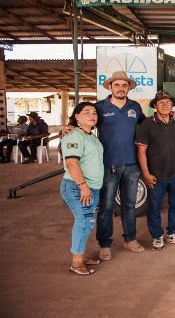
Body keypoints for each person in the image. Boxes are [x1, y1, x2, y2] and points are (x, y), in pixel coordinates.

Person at [95, 71, 146, 260]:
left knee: (130, 205)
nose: (120, 88)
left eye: (124, 85)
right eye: (117, 85)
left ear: (129, 88)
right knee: (107, 206)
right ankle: (105, 244)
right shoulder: (100, 107)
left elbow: (147, 125)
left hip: (132, 165)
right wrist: (69, 126)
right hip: (109, 165)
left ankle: (130, 239)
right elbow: (82, 121)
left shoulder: (135, 107)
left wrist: (166, 116)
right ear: (110, 87)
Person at [136, 90, 175, 251]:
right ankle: (157, 236)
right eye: (161, 103)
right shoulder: (147, 124)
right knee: (155, 207)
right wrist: (146, 173)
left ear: (172, 105)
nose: (165, 105)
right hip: (155, 176)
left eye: (168, 103)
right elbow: (141, 151)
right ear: (155, 106)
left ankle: (173, 233)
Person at [60, 102, 104, 276]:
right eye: (86, 112)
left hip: (91, 187)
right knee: (84, 222)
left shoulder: (90, 135)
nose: (92, 115)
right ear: (77, 116)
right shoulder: (73, 135)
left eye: (94, 113)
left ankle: (81, 255)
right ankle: (77, 263)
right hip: (78, 187)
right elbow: (71, 163)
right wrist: (83, 187)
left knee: (87, 222)